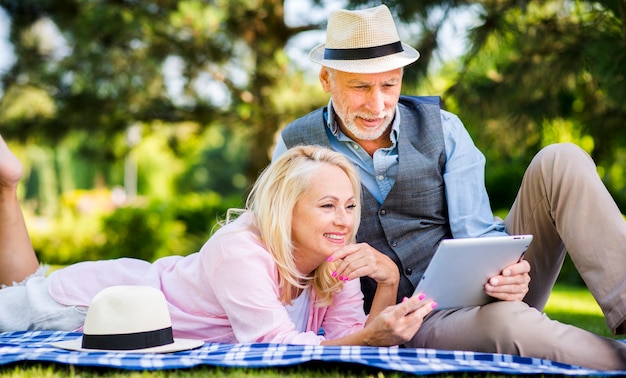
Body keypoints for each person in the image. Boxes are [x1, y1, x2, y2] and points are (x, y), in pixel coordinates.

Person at [273, 4, 626, 370]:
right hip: (405, 320)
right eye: (360, 87)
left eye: (389, 84)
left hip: (488, 292)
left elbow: (476, 232)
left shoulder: (444, 128)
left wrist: (511, 272)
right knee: (506, 323)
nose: (377, 105)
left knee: (561, 159)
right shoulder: (296, 146)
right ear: (327, 80)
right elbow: (280, 251)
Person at [0, 134, 435, 346]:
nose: (344, 220)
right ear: (286, 208)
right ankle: (9, 183)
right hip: (98, 300)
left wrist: (389, 282)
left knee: (19, 284)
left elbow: (351, 341)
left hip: (131, 302)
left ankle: (5, 187)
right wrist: (368, 338)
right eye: (327, 206)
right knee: (20, 300)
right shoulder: (240, 249)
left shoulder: (334, 257)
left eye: (350, 206)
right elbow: (273, 347)